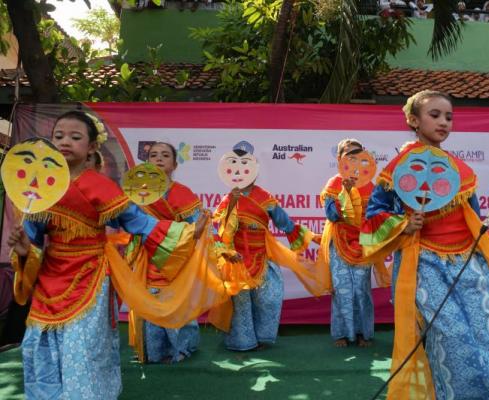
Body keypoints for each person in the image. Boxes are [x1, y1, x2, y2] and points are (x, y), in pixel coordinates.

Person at [6, 111, 212, 399]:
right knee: (40, 343)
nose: (65, 142)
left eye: (75, 137)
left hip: (90, 275)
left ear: (91, 147)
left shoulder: (101, 187)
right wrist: (26, 250)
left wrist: (188, 233)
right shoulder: (41, 186)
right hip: (49, 278)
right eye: (59, 136)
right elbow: (34, 240)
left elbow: (141, 223)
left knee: (84, 346)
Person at [359, 90, 489, 399]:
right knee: (452, 341)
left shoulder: (458, 169)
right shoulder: (398, 168)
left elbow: (474, 220)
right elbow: (372, 218)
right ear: (413, 120)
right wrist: (403, 224)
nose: (443, 122)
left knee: (487, 337)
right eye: (434, 115)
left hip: (470, 265)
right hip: (424, 264)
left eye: (449, 116)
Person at [211, 141, 323, 351]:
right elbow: (219, 229)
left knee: (268, 298)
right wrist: (232, 206)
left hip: (262, 256)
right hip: (236, 259)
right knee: (240, 303)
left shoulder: (264, 197)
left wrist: (310, 236)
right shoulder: (227, 200)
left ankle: (263, 338)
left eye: (245, 167)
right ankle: (242, 342)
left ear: (253, 169)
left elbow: (285, 222)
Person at [128, 142, 203, 363]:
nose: (159, 159)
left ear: (174, 164)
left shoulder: (182, 193)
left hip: (175, 257)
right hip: (146, 256)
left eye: (165, 155)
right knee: (149, 301)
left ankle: (182, 347)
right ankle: (154, 350)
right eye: (153, 155)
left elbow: (198, 227)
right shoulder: (138, 193)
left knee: (175, 302)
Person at [316, 139, 389, 348]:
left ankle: (363, 334)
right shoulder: (333, 184)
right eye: (348, 154)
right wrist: (346, 193)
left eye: (357, 153)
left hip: (364, 244)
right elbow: (332, 215)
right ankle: (342, 333)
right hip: (339, 243)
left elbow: (377, 216)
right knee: (342, 289)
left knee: (361, 289)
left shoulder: (372, 186)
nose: (353, 158)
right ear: (340, 159)